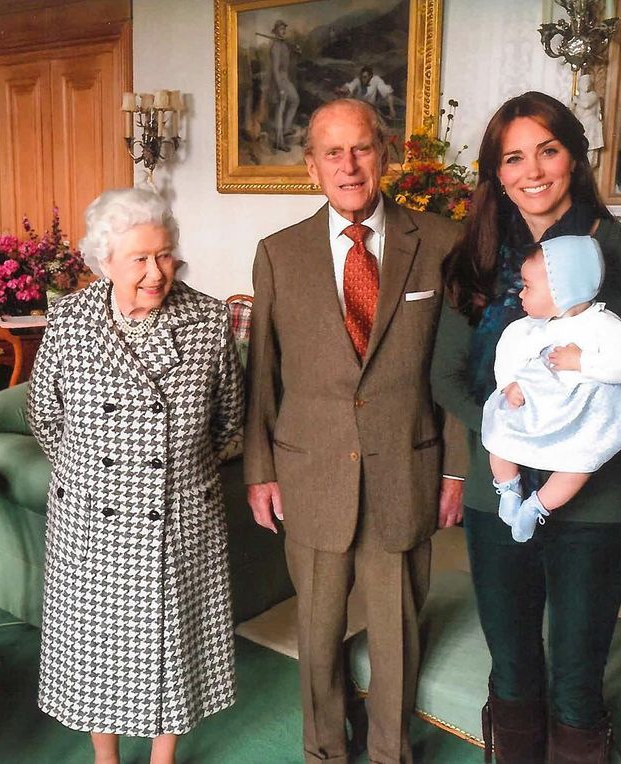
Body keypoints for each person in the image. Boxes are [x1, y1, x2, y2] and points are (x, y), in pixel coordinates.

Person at [431, 91, 621, 762]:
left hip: (592, 504)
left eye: (548, 150)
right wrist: (513, 428)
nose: (532, 171)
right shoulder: (477, 255)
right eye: (513, 157)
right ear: (495, 171)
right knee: (512, 672)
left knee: (576, 680)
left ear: (575, 156)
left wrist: (577, 426)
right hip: (496, 496)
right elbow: (445, 378)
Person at [244, 98, 465, 764]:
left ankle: (391, 753)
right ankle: (323, 751)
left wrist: (456, 468)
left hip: (406, 466)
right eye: (332, 152)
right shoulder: (278, 255)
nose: (349, 165)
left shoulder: (442, 243)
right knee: (317, 631)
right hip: (311, 472)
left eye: (361, 148)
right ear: (311, 167)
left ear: (387, 155)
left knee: (397, 630)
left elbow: (458, 371)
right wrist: (260, 470)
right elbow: (263, 376)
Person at [28, 187, 243, 764]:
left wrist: (181, 472)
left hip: (177, 513)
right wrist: (88, 478)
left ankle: (163, 755)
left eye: (165, 254)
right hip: (91, 520)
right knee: (98, 647)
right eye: (140, 259)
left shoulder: (204, 318)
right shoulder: (71, 318)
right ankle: (105, 754)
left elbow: (228, 420)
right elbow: (45, 414)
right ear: (105, 262)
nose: (156, 272)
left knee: (169, 645)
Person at [482, 236, 621, 542]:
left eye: (528, 286)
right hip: (533, 405)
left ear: (564, 289)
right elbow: (506, 356)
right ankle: (508, 488)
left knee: (580, 464)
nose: (521, 293)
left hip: (580, 414)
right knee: (498, 434)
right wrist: (508, 385)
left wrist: (582, 361)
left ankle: (537, 506)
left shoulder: (605, 326)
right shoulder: (527, 328)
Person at [268, 20, 299, 152]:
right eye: (281, 29)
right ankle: (279, 142)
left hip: (285, 78)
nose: (283, 31)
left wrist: (296, 51)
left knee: (295, 100)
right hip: (278, 80)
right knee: (280, 109)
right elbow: (275, 69)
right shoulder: (275, 47)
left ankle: (286, 129)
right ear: (275, 31)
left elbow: (289, 61)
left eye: (284, 29)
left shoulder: (284, 46)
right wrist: (280, 87)